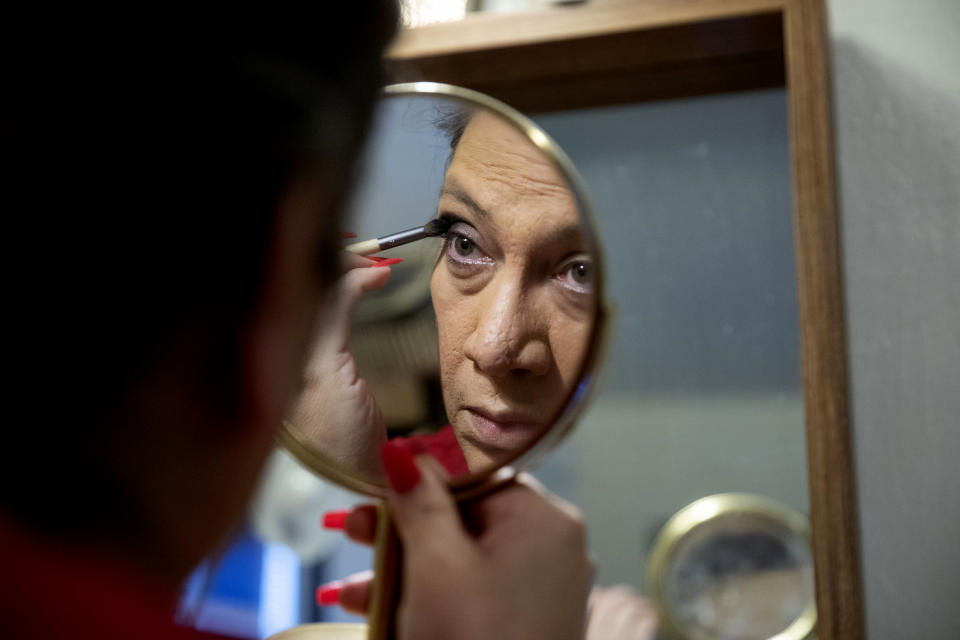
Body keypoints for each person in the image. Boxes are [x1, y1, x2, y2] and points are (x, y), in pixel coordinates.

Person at [0, 11, 593, 640]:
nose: (495, 345)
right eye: (466, 242)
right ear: (271, 290)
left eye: (579, 270)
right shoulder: (387, 478)